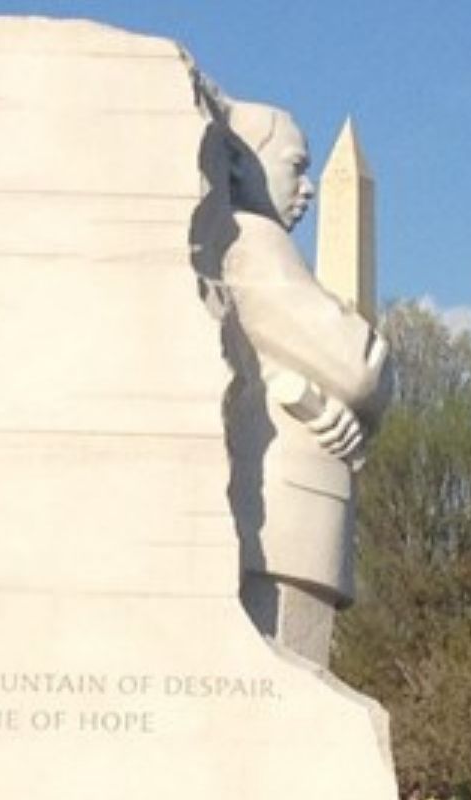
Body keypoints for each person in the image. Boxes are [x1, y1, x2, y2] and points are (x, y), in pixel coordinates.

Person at [193, 99, 391, 664]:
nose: (305, 190)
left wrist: (293, 386)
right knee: (282, 676)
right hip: (284, 512)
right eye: (294, 166)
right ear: (238, 165)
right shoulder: (250, 240)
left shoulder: (224, 246)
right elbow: (358, 368)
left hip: (283, 511)